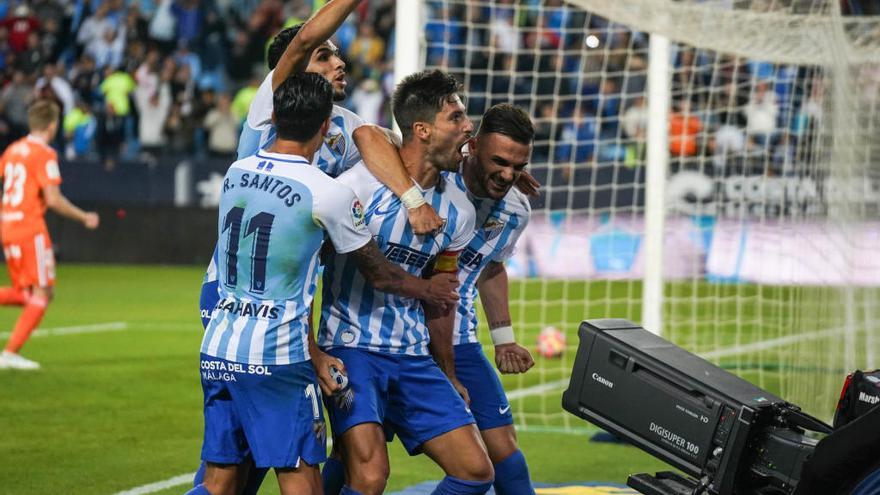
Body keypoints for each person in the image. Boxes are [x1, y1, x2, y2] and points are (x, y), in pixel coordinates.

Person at [187, 72, 459, 495]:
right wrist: (429, 290)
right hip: (277, 357)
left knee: (220, 483)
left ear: (274, 117)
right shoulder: (328, 193)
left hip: (218, 347)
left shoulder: (236, 173)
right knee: (303, 484)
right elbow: (378, 272)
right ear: (326, 127)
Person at [318, 69, 494, 495]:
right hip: (352, 346)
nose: (469, 127)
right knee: (370, 475)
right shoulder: (358, 186)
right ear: (422, 129)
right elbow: (321, 266)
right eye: (456, 118)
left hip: (413, 355)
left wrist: (448, 371)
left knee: (475, 471)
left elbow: (442, 297)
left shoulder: (460, 211)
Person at [445, 103, 538, 494]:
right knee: (361, 462)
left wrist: (503, 339)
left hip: (460, 340)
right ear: (473, 144)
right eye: (499, 161)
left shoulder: (516, 209)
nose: (508, 174)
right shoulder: (435, 182)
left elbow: (492, 267)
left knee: (505, 454)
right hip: (394, 340)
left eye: (518, 166)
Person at [0, 100, 99, 370]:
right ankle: (9, 354)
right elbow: (53, 199)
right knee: (43, 292)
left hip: (7, 225)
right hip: (29, 228)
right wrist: (84, 216)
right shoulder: (44, 154)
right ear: (52, 125)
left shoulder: (12, 150)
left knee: (24, 293)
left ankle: (10, 352)